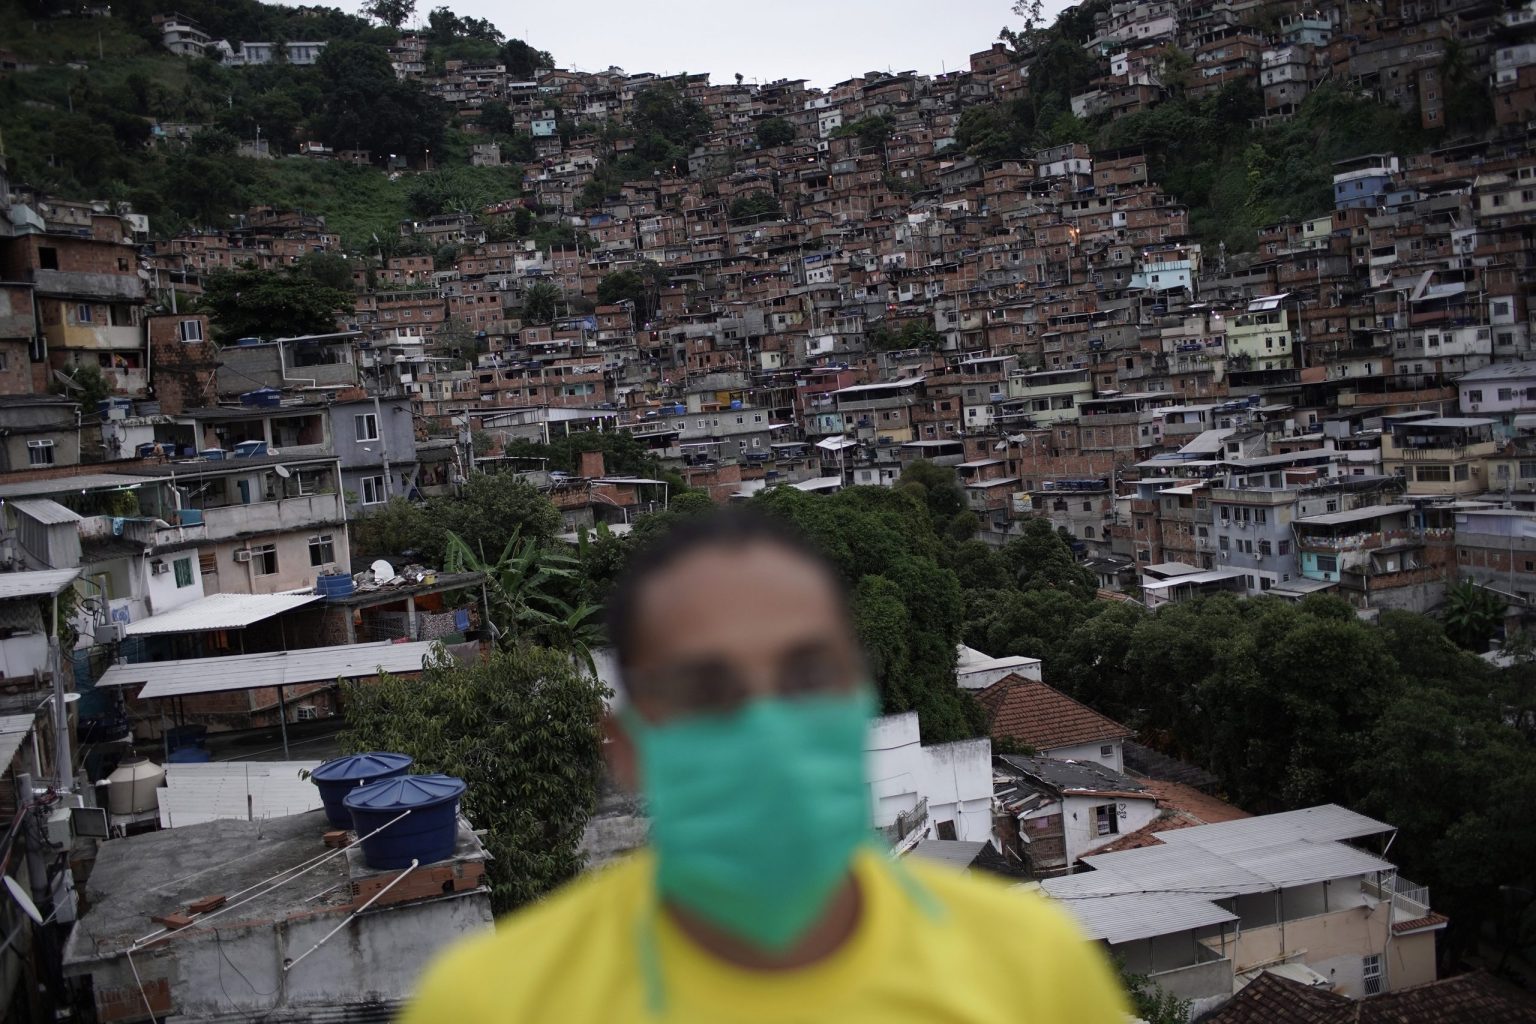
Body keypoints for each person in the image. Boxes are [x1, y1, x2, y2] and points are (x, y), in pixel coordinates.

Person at [403, 511, 1130, 1023]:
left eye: (808, 678)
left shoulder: (1028, 972)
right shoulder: (493, 1006)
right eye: (708, 692)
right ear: (629, 747)